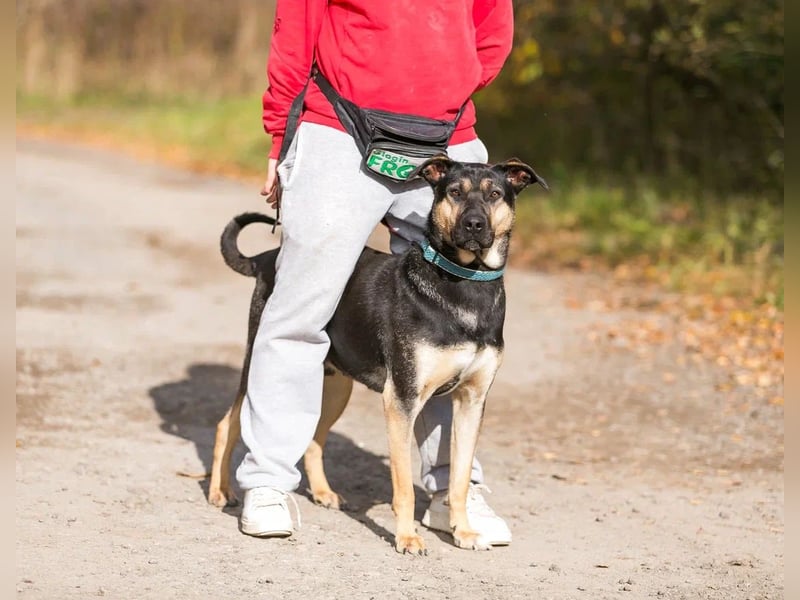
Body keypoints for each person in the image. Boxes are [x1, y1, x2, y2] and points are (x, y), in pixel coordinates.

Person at [237, 0, 515, 545]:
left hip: (446, 132)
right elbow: (295, 25)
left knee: (461, 323)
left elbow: (492, 26)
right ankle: (268, 479)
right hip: (339, 125)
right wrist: (280, 132)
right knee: (299, 307)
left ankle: (450, 494)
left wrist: (448, 79)